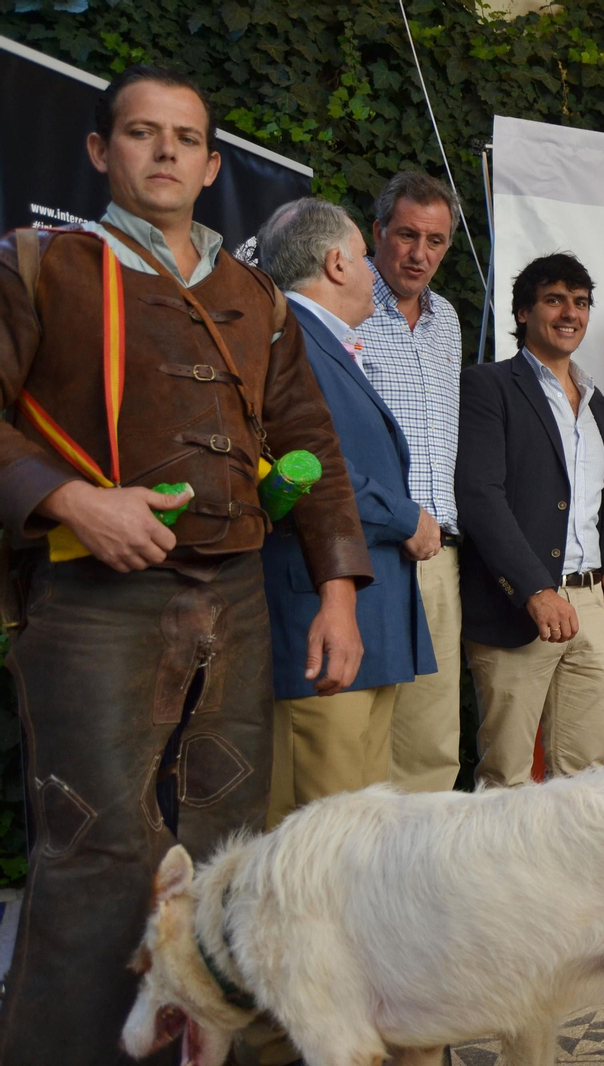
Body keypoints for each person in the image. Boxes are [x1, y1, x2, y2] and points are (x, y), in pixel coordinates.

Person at [0, 66, 370, 1064]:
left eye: (186, 137)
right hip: (91, 597)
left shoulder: (256, 296)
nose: (165, 150)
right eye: (141, 132)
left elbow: (311, 442)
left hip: (237, 600)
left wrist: (337, 590)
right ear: (99, 150)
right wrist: (74, 500)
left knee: (222, 845)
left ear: (211, 166)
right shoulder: (39, 265)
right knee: (98, 850)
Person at [256, 198, 438, 828]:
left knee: (356, 837)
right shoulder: (288, 341)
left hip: (367, 620)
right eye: (364, 256)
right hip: (320, 620)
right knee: (313, 838)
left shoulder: (321, 343)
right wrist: (407, 517)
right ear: (337, 263)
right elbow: (308, 467)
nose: (371, 270)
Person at [457, 253, 604, 786]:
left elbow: (595, 500)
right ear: (522, 312)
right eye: (554, 300)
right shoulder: (489, 385)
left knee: (585, 779)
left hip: (590, 604)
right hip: (519, 605)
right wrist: (534, 589)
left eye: (580, 302)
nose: (570, 313)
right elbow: (480, 496)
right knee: (506, 777)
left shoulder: (596, 401)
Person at [356, 170, 463, 793]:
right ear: (378, 232)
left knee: (433, 738)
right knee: (357, 733)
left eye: (436, 240)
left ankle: (423, 854)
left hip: (437, 556)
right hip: (366, 547)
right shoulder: (344, 304)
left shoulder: (447, 318)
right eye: (406, 235)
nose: (420, 253)